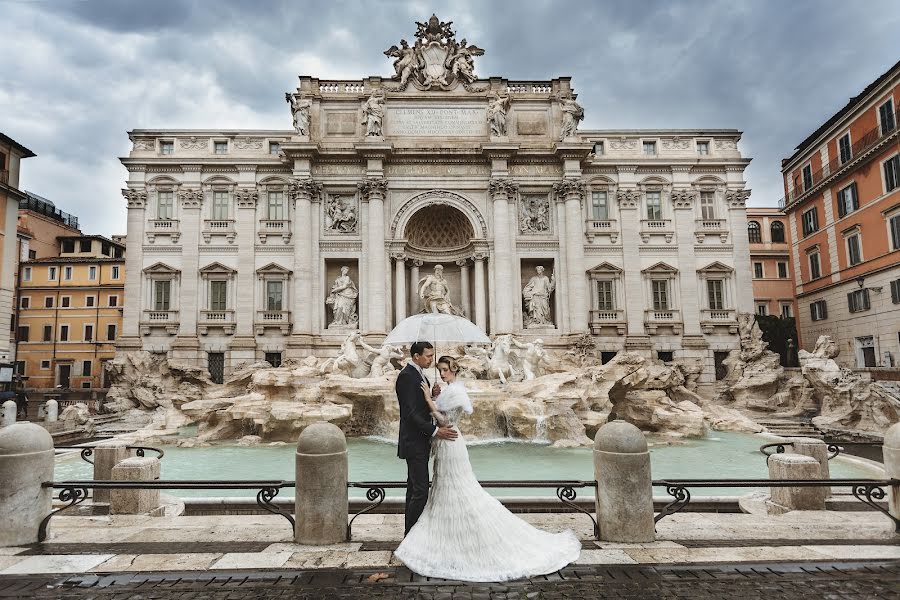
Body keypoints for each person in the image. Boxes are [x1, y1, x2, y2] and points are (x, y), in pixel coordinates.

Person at [394, 355, 580, 582]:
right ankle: (452, 537)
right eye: (439, 369)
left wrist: (428, 400)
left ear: (454, 370)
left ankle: (465, 537)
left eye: (444, 369)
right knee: (445, 491)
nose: (441, 373)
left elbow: (444, 421)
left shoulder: (457, 391)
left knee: (460, 491)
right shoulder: (449, 390)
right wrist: (435, 396)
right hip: (445, 445)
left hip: (450, 442)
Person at [395, 342, 458, 535]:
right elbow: (411, 413)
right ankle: (413, 536)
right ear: (416, 356)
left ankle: (410, 533)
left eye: (432, 355)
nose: (431, 359)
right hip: (414, 441)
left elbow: (417, 405)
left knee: (414, 489)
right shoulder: (407, 376)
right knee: (420, 490)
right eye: (428, 356)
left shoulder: (418, 373)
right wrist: (435, 431)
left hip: (419, 440)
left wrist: (431, 396)